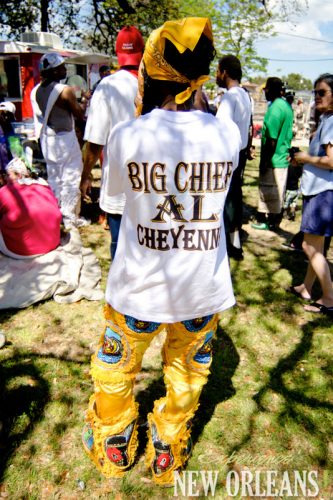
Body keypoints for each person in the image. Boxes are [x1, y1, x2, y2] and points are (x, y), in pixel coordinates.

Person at [82, 17, 241, 485]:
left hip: (137, 289)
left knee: (115, 372)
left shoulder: (128, 137)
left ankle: (114, 444)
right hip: (199, 290)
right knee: (189, 375)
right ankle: (167, 449)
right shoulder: (226, 134)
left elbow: (114, 201)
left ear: (150, 72)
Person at [80, 26, 145, 260]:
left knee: (120, 250)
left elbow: (96, 141)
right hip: (153, 183)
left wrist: (86, 174)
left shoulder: (107, 86)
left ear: (118, 53)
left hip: (120, 183)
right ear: (142, 51)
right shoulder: (158, 83)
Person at [289, 73, 333, 317]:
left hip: (323, 193)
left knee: (308, 245)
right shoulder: (327, 118)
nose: (316, 96)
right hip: (319, 190)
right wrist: (303, 160)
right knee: (318, 245)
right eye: (315, 92)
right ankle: (307, 287)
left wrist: (306, 158)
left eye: (322, 92)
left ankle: (329, 297)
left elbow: (331, 161)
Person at [34, 53, 88, 229]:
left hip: (48, 140)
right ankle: (70, 218)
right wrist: (85, 103)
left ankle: (54, 214)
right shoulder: (65, 90)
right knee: (71, 178)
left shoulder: (37, 91)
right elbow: (79, 114)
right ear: (54, 71)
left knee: (54, 178)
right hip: (65, 139)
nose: (65, 69)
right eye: (62, 67)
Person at [216, 55, 253, 260]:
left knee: (228, 198)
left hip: (229, 154)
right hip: (240, 152)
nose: (216, 74)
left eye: (217, 70)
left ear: (225, 72)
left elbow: (219, 129)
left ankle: (231, 245)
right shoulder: (244, 95)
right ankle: (235, 242)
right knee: (234, 196)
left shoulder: (230, 97)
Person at [251, 77, 293, 230]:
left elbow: (272, 140)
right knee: (278, 190)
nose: (264, 92)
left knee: (269, 190)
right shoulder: (285, 105)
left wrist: (265, 162)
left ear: (270, 89)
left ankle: (268, 221)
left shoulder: (275, 108)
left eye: (265, 89)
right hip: (282, 156)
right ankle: (274, 219)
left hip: (274, 159)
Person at [0, 157, 62, 258]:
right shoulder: (44, 186)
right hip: (52, 243)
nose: (5, 178)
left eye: (8, 175)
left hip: (19, 251)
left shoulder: (5, 191)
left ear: (19, 175)